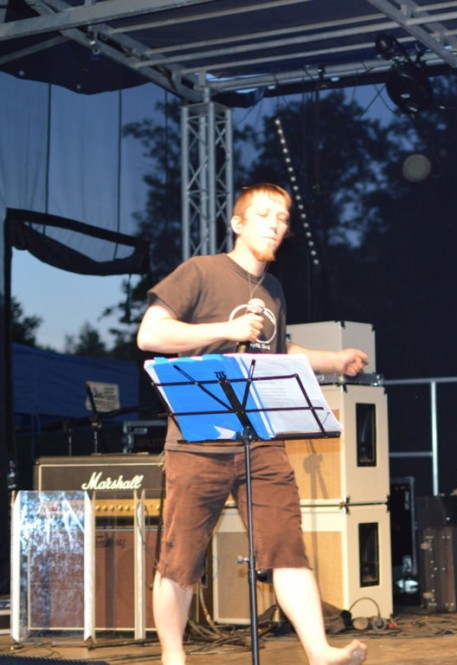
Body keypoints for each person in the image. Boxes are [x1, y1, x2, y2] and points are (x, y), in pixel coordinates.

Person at [137, 183, 369, 665]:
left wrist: (334, 360)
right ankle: (173, 657)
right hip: (198, 441)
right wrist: (226, 329)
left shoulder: (273, 289)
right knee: (180, 558)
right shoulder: (200, 271)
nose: (275, 225)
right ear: (238, 223)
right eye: (264, 215)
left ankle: (319, 651)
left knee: (286, 547)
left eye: (282, 218)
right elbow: (151, 334)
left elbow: (277, 351)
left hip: (261, 441)